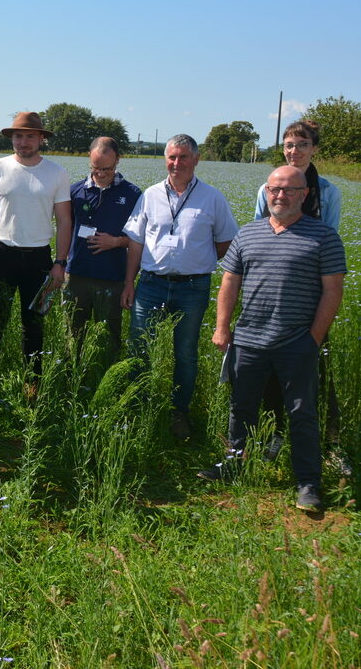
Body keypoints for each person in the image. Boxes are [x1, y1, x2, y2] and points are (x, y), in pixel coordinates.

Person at [199, 165, 346, 512]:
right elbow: (230, 283)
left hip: (296, 342)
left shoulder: (323, 236)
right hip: (249, 340)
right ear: (266, 192)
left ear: (304, 194)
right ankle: (234, 463)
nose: (280, 196)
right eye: (274, 189)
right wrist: (222, 327)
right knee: (242, 407)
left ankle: (308, 483)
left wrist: (313, 338)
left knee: (302, 413)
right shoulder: (248, 234)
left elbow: (333, 290)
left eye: (289, 190)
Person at [122, 134, 239, 440]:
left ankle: (179, 412)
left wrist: (198, 258)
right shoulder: (149, 195)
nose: (176, 163)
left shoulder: (213, 198)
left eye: (183, 157)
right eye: (172, 157)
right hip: (150, 285)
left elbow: (227, 241)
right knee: (140, 348)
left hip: (192, 288)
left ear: (196, 160)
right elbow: (135, 242)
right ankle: (139, 409)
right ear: (166, 160)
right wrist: (128, 283)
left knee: (185, 353)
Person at [253, 119, 345, 467]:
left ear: (314, 149)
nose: (295, 151)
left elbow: (329, 239)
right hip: (274, 288)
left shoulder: (328, 191)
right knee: (271, 367)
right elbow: (259, 233)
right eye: (289, 145)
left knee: (316, 362)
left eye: (302, 145)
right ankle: (274, 434)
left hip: (309, 290)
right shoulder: (267, 188)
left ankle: (329, 442)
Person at [0, 111, 72, 380]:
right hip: (0, 256)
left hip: (40, 260)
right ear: (12, 139)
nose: (23, 142)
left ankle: (33, 384)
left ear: (41, 138)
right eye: (18, 136)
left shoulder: (57, 173)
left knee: (34, 325)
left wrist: (59, 264)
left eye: (30, 136)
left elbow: (65, 221)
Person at [65, 136, 142, 363]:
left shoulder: (132, 194)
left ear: (118, 160)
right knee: (72, 336)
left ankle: (106, 382)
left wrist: (116, 242)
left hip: (112, 278)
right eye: (95, 168)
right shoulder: (75, 191)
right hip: (77, 275)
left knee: (109, 339)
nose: (99, 174)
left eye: (106, 169)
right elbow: (65, 228)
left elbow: (141, 239)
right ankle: (73, 381)